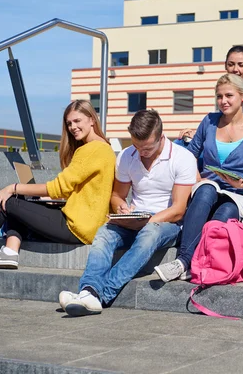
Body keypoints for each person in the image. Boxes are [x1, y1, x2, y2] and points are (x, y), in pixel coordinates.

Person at [0, 100, 116, 268]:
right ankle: (10, 251)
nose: (73, 127)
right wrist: (46, 198)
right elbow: (75, 191)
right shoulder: (103, 147)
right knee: (21, 203)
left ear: (92, 119)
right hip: (83, 223)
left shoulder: (92, 150)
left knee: (7, 202)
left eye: (77, 121)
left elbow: (59, 187)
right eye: (69, 123)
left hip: (77, 227)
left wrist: (13, 187)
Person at [60, 109, 197, 316]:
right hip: (135, 217)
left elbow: (178, 210)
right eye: (136, 146)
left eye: (147, 147)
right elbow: (117, 195)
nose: (141, 152)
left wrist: (148, 221)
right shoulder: (126, 156)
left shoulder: (182, 158)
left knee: (150, 232)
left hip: (166, 223)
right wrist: (120, 208)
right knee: (105, 233)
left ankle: (101, 295)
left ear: (161, 137)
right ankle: (89, 290)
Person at [153, 73, 243, 282]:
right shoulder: (209, 121)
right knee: (206, 190)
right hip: (207, 186)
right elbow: (191, 154)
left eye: (228, 96)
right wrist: (197, 179)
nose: (223, 101)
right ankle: (182, 261)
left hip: (237, 194)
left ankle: (198, 261)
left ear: (242, 97)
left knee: (226, 211)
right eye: (219, 96)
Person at [177, 45, 243, 145]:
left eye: (241, 65)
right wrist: (199, 134)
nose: (235, 69)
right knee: (181, 143)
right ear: (225, 65)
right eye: (231, 64)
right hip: (224, 141)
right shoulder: (223, 89)